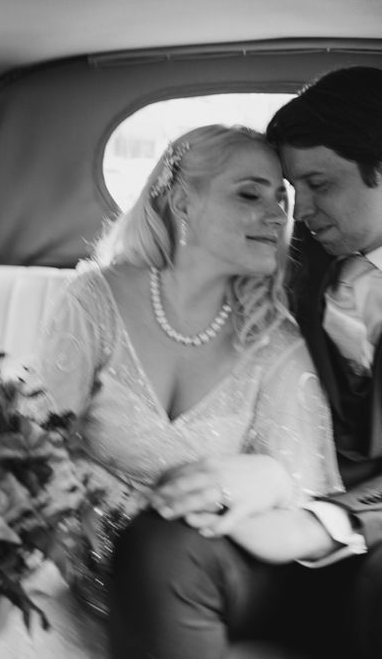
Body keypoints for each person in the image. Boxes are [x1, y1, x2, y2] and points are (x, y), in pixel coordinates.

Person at [0, 123, 343, 659]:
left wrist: (264, 485)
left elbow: (311, 506)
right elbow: (30, 449)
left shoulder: (275, 344)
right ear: (183, 201)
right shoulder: (96, 299)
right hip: (74, 579)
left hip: (184, 606)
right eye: (250, 194)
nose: (279, 216)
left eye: (282, 198)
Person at [110, 66, 382, 659]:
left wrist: (326, 524)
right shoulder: (287, 251)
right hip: (272, 521)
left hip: (362, 534)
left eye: (318, 184)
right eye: (291, 189)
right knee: (164, 547)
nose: (296, 211)